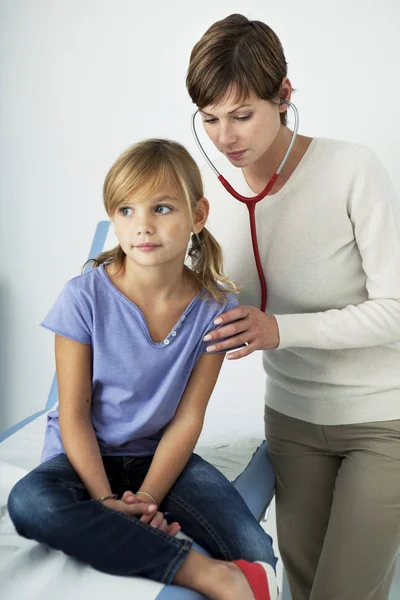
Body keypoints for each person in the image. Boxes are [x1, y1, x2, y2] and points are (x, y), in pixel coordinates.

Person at [186, 13, 400, 600]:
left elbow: (396, 309)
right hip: (292, 421)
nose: (226, 137)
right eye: (210, 119)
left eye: (242, 114)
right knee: (300, 591)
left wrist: (278, 329)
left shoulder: (351, 168)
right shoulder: (209, 204)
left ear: (284, 96)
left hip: (382, 423)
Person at [7, 139, 278, 600]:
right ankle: (202, 573)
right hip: (78, 460)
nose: (143, 226)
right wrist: (105, 503)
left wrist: (150, 497)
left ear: (198, 215)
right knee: (29, 502)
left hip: (158, 457)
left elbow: (189, 417)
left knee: (255, 550)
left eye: (162, 208)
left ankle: (227, 569)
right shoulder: (83, 297)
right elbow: (73, 413)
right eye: (126, 210)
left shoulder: (215, 308)